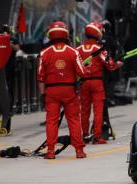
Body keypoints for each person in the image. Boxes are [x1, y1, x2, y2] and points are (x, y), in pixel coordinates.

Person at [37, 21, 87, 159]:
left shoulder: (44, 53)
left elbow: (40, 76)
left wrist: (42, 94)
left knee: (51, 121)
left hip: (51, 92)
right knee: (74, 120)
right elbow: (83, 72)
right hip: (69, 91)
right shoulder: (74, 52)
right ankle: (79, 151)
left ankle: (51, 151)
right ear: (66, 34)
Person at [77, 22, 123, 144]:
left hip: (83, 83)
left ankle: (85, 135)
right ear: (97, 33)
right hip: (97, 82)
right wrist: (118, 64)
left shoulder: (78, 49)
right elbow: (110, 65)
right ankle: (97, 137)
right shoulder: (100, 49)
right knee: (98, 110)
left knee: (84, 110)